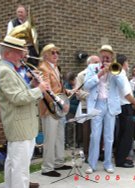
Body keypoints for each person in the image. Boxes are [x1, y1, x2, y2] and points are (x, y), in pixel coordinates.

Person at [0, 36, 49, 188]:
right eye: (19, 52)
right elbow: (17, 98)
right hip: (20, 126)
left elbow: (20, 92)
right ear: (8, 53)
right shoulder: (5, 71)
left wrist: (32, 85)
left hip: (22, 125)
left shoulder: (11, 69)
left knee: (13, 164)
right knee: (21, 169)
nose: (23, 55)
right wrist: (40, 90)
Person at [84, 45, 135, 174]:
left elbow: (123, 85)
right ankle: (92, 164)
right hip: (97, 105)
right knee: (95, 136)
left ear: (111, 57)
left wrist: (114, 72)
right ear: (100, 56)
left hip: (110, 105)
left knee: (109, 136)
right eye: (103, 55)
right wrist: (100, 73)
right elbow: (86, 85)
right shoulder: (92, 68)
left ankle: (108, 163)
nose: (105, 58)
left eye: (108, 56)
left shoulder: (116, 69)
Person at [39, 43, 72, 177]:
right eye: (53, 52)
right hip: (49, 108)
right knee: (50, 138)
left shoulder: (56, 68)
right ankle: (47, 167)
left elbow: (58, 88)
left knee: (59, 137)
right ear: (45, 55)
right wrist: (60, 102)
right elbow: (46, 90)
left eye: (57, 52)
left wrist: (67, 91)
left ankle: (58, 162)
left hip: (58, 108)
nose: (56, 55)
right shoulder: (43, 68)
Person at [115, 54, 135, 168]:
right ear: (124, 63)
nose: (128, 64)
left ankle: (120, 157)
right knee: (126, 135)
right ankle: (121, 160)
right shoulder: (122, 76)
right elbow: (127, 95)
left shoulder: (119, 75)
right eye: (127, 62)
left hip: (122, 107)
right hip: (125, 107)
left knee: (122, 134)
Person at [76, 55, 101, 158]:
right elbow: (78, 92)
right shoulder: (81, 75)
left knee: (97, 131)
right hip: (86, 106)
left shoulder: (101, 74)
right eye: (95, 62)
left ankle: (98, 152)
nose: (98, 64)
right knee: (87, 132)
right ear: (89, 63)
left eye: (98, 62)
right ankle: (87, 153)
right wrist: (90, 96)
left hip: (98, 106)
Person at [64, 71, 79, 148]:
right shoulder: (67, 86)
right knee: (70, 126)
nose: (72, 82)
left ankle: (77, 142)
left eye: (73, 81)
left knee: (78, 127)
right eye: (70, 81)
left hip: (78, 108)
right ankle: (70, 143)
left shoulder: (78, 84)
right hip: (70, 109)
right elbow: (67, 99)